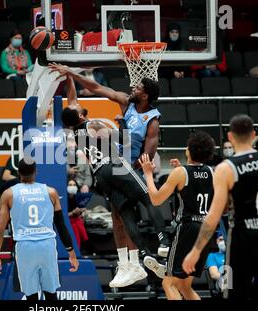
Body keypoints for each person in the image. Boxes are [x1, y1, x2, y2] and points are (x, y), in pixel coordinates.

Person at [53, 65, 171, 285]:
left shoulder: (76, 130)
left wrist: (69, 76)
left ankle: (141, 256)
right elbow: (123, 138)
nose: (132, 87)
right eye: (79, 108)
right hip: (118, 165)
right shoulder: (99, 121)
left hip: (103, 172)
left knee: (125, 215)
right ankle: (155, 246)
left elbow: (72, 100)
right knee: (142, 202)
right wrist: (123, 123)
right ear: (79, 115)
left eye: (137, 86)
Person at [182, 114, 258, 300]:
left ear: (230, 137)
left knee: (236, 292)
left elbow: (213, 216)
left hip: (243, 236)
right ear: (254, 135)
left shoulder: (226, 168)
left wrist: (195, 251)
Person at [140, 131, 215, 300]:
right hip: (207, 230)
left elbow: (156, 199)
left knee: (169, 283)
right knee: (184, 286)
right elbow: (197, 182)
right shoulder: (212, 171)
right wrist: (181, 169)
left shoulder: (181, 173)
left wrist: (148, 174)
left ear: (190, 150)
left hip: (188, 230)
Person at [0, 158, 79, 300]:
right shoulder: (51, 192)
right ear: (35, 171)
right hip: (47, 245)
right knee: (51, 294)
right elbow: (61, 225)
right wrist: (72, 254)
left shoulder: (9, 194)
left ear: (18, 172)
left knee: (31, 296)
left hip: (25, 247)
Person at [67, 179, 89, 250]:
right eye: (70, 185)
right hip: (68, 224)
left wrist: (81, 211)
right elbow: (63, 215)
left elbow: (81, 214)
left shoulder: (79, 197)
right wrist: (72, 213)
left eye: (74, 185)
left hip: (77, 221)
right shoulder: (64, 199)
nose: (72, 187)